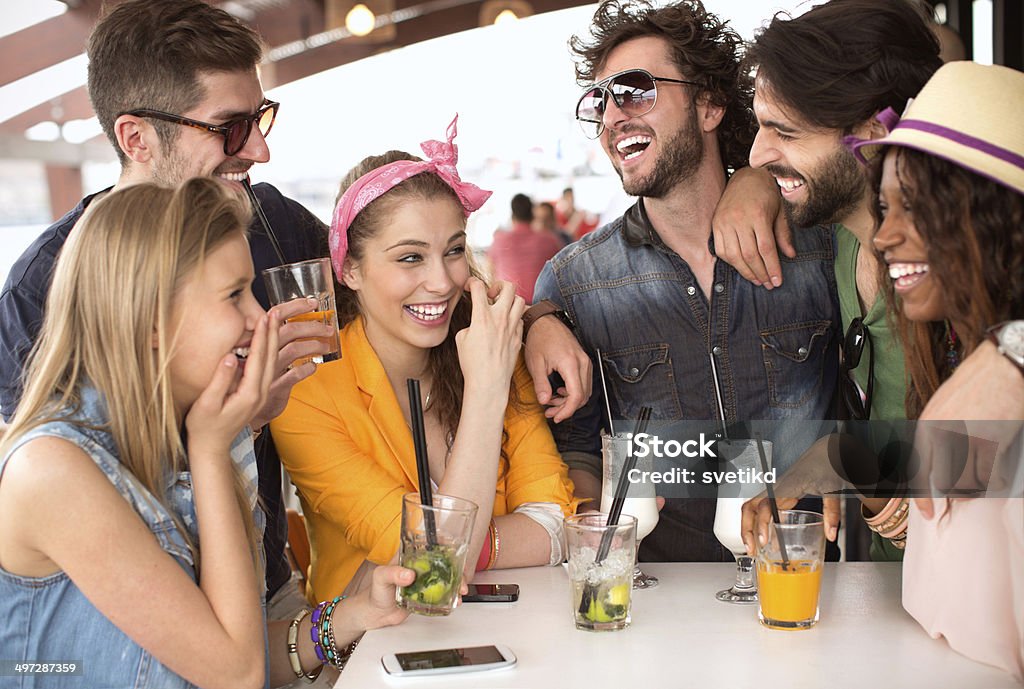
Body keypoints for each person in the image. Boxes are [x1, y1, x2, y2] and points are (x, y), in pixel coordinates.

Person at [0, 179, 413, 689]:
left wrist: (351, 616)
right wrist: (214, 449)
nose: (261, 318)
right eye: (235, 294)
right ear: (150, 319)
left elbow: (235, 648)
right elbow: (236, 675)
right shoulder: (51, 470)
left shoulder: (189, 431)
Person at [0, 0, 332, 621]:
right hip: (129, 629)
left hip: (268, 592)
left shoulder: (272, 220)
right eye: (230, 126)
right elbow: (33, 494)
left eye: (261, 118)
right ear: (137, 138)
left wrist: (539, 320)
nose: (258, 150)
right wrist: (237, 425)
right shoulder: (42, 287)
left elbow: (394, 276)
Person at [530, 0, 839, 562]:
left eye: (635, 90)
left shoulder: (820, 246)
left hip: (811, 589)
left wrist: (757, 176)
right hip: (664, 611)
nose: (612, 116)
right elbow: (578, 447)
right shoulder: (573, 283)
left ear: (710, 105)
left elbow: (882, 411)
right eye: (601, 101)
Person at [271, 118, 579, 601]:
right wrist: (484, 391)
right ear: (350, 267)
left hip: (512, 632)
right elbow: (434, 566)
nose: (442, 281)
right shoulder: (309, 390)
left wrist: (475, 544)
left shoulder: (490, 343)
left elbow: (558, 521)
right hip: (373, 654)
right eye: (410, 257)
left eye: (454, 250)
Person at [729, 0, 943, 561]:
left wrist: (844, 456)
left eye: (785, 131)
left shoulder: (958, 270)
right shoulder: (840, 236)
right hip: (887, 611)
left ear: (873, 131)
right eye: (760, 126)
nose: (757, 152)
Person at [856, 62, 1023, 680]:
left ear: (997, 218)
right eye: (884, 208)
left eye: (919, 209)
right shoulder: (961, 365)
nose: (884, 236)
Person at [487, 193, 563, 302]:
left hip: (508, 305)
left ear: (512, 216)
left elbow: (490, 272)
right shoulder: (550, 240)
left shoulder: (499, 240)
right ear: (532, 216)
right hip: (542, 308)